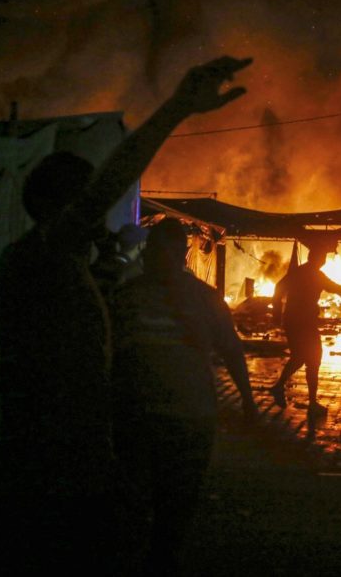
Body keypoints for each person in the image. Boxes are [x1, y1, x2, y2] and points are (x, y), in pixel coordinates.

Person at [0, 55, 251, 574]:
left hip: (73, 457)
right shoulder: (37, 257)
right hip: (49, 465)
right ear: (54, 205)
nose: (96, 216)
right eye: (83, 204)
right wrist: (175, 110)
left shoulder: (58, 267)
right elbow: (106, 189)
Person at [109, 217, 256, 574]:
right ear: (185, 255)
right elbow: (232, 351)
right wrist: (248, 403)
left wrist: (250, 402)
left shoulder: (128, 296)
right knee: (173, 504)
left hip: (144, 417)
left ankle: (148, 558)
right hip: (183, 417)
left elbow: (108, 353)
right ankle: (158, 558)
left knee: (143, 502)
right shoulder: (201, 298)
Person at [267, 238, 341, 417]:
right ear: (317, 259)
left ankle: (280, 388)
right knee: (312, 359)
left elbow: (279, 287)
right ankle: (311, 402)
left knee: (301, 357)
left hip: (293, 321)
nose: (324, 260)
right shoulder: (315, 275)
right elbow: (337, 289)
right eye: (322, 257)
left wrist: (278, 313)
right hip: (304, 322)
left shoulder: (299, 272)